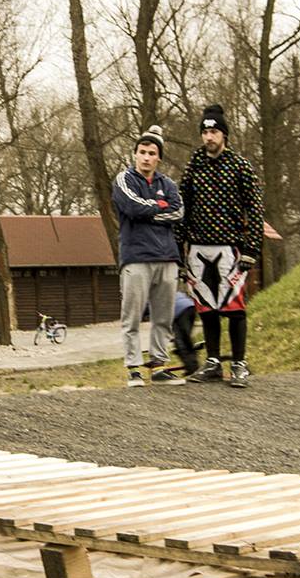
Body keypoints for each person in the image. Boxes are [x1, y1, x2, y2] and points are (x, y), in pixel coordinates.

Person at [177, 104, 264, 388]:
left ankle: (239, 363)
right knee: (207, 307)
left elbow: (255, 208)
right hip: (198, 248)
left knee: (234, 307)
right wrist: (179, 252)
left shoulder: (240, 166)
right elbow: (182, 209)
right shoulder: (194, 166)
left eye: (214, 132)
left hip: (230, 247)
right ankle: (213, 362)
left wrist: (251, 248)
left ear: (223, 134)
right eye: (205, 132)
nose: (209, 137)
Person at [112, 125, 185, 387]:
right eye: (142, 152)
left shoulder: (169, 184)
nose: (146, 157)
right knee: (131, 317)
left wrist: (150, 212)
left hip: (167, 257)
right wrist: (159, 207)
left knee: (163, 317)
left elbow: (178, 212)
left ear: (158, 158)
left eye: (152, 153)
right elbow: (131, 207)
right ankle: (134, 369)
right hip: (136, 257)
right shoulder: (124, 179)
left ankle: (159, 366)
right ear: (135, 154)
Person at [171, 290, 199, 376]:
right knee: (186, 339)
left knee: (180, 341)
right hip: (191, 307)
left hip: (179, 310)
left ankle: (192, 368)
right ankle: (192, 366)